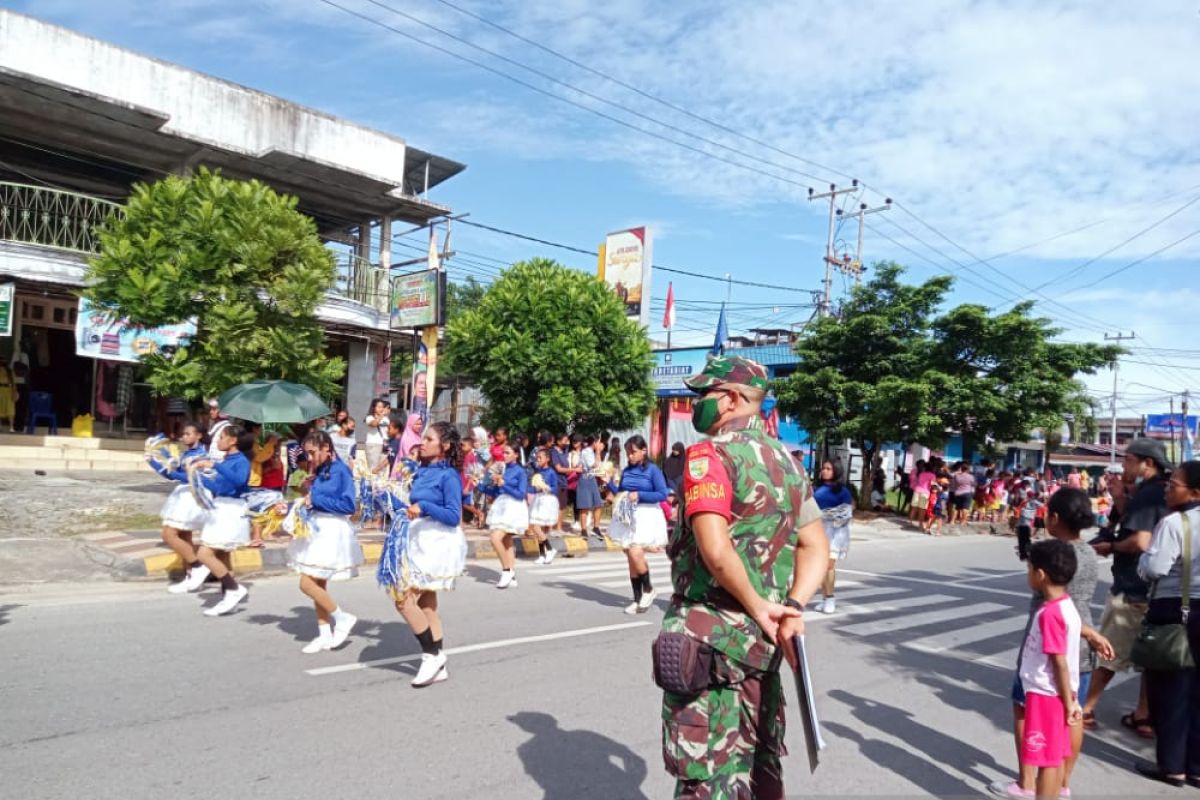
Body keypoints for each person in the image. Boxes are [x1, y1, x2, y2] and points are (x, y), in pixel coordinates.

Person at [662, 355, 828, 799]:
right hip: (765, 643)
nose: (697, 404)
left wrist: (757, 605)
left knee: (704, 775)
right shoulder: (789, 463)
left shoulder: (709, 455)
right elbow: (817, 547)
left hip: (711, 638)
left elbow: (715, 551)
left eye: (705, 395)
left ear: (733, 399)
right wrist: (791, 608)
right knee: (758, 764)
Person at [990, 489, 1114, 799]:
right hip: (1082, 642)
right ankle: (1062, 784)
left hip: (1049, 646)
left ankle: (1028, 783)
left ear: (1055, 517)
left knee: (1024, 709)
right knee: (1071, 715)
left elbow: (1053, 605)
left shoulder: (1053, 554)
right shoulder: (1088, 552)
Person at [1082, 438, 1170, 736]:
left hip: (1133, 587)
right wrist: (1120, 499)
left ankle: (1084, 708)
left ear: (1148, 462)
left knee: (1109, 650)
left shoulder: (1150, 494)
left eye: (1129, 459)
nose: (1124, 465)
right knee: (1147, 658)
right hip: (1155, 588)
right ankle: (1143, 715)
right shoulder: (1156, 493)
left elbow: (1140, 541)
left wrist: (1110, 547)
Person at [383, 421, 467, 687]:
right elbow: (414, 503)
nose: (423, 442)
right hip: (417, 537)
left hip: (436, 542)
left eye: (429, 439)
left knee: (403, 599)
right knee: (426, 603)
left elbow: (454, 516)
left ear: (445, 446)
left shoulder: (449, 476)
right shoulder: (422, 470)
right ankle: (439, 657)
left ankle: (430, 655)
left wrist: (426, 506)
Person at [1133, 460, 1200, 788]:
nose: (1168, 488)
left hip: (1177, 610)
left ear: (1196, 492)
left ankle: (1173, 766)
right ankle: (1197, 767)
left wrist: (1143, 558)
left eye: (1174, 485)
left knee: (1171, 691)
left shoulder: (1175, 523)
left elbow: (1155, 568)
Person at [1014, 539, 1084, 799]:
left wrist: (1067, 702)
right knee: (1052, 758)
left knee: (1045, 760)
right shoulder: (1066, 605)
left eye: (1029, 568)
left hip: (1047, 694)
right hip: (1058, 694)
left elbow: (1059, 661)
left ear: (1040, 575)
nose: (1028, 574)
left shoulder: (1050, 614)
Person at [284, 430, 362, 654]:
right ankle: (324, 633)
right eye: (306, 453)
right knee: (318, 586)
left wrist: (315, 498)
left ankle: (342, 617)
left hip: (331, 531)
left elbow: (348, 506)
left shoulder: (341, 471)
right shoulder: (320, 471)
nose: (309, 458)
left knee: (306, 584)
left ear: (327, 448)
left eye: (312, 452)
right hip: (316, 529)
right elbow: (313, 501)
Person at [192, 425, 254, 616]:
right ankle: (228, 599)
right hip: (220, 507)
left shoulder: (241, 460)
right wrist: (196, 476)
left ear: (233, 440)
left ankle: (233, 588)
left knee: (204, 554)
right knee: (222, 557)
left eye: (221, 437)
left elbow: (239, 481)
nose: (217, 441)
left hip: (231, 510)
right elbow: (219, 485)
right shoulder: (227, 459)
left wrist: (215, 465)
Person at [606, 435, 669, 615]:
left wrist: (640, 495)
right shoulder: (626, 471)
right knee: (629, 554)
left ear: (644, 451)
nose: (630, 456)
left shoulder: (653, 470)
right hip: (627, 514)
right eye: (628, 453)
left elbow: (662, 494)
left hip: (646, 514)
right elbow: (621, 491)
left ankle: (648, 589)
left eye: (633, 452)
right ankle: (637, 598)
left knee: (635, 550)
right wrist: (608, 483)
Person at [150, 422, 210, 593]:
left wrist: (167, 463)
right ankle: (191, 578)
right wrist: (155, 461)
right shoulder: (187, 453)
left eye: (188, 434)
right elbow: (171, 475)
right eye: (183, 434)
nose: (184, 437)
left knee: (169, 535)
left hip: (191, 496)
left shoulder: (201, 454)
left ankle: (198, 566)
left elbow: (187, 476)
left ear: (199, 435)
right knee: (185, 538)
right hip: (183, 494)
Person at [482, 442, 529, 589]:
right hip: (501, 505)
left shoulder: (520, 472)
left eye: (508, 453)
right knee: (507, 541)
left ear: (516, 454)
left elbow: (521, 494)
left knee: (495, 538)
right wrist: (479, 485)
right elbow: (496, 492)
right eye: (504, 453)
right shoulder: (503, 469)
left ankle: (506, 570)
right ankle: (512, 575)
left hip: (513, 508)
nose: (505, 455)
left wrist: (504, 484)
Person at [814, 459, 854, 614]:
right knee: (821, 566)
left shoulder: (842, 491)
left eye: (828, 468)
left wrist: (829, 515)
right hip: (819, 530)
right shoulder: (818, 487)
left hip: (835, 532)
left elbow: (847, 512)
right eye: (823, 468)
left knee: (829, 565)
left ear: (836, 471)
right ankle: (825, 599)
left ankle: (830, 598)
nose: (825, 471)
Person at [527, 447, 560, 564]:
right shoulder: (539, 472)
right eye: (537, 458)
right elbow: (534, 487)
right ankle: (542, 554)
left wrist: (546, 488)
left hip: (547, 500)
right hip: (538, 499)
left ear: (547, 459)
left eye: (540, 458)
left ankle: (550, 549)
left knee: (536, 526)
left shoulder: (551, 472)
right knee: (538, 529)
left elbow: (556, 488)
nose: (538, 460)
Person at [363, 397, 391, 471]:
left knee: (382, 468)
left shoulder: (386, 419)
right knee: (373, 467)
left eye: (382, 407)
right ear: (373, 407)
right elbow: (374, 424)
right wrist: (381, 416)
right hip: (373, 444)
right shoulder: (369, 417)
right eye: (379, 407)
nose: (381, 409)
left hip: (384, 445)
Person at [951, 461, 977, 526]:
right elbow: (974, 484)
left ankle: (952, 521)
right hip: (967, 493)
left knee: (957, 508)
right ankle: (963, 522)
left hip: (958, 493)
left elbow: (954, 485)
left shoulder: (957, 476)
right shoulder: (971, 477)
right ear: (967, 469)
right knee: (965, 508)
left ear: (961, 468)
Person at [910, 459, 933, 525]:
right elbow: (932, 484)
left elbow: (918, 481)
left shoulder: (921, 474)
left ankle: (910, 522)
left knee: (914, 507)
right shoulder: (932, 475)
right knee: (922, 509)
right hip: (925, 492)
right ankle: (920, 524)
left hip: (917, 490)